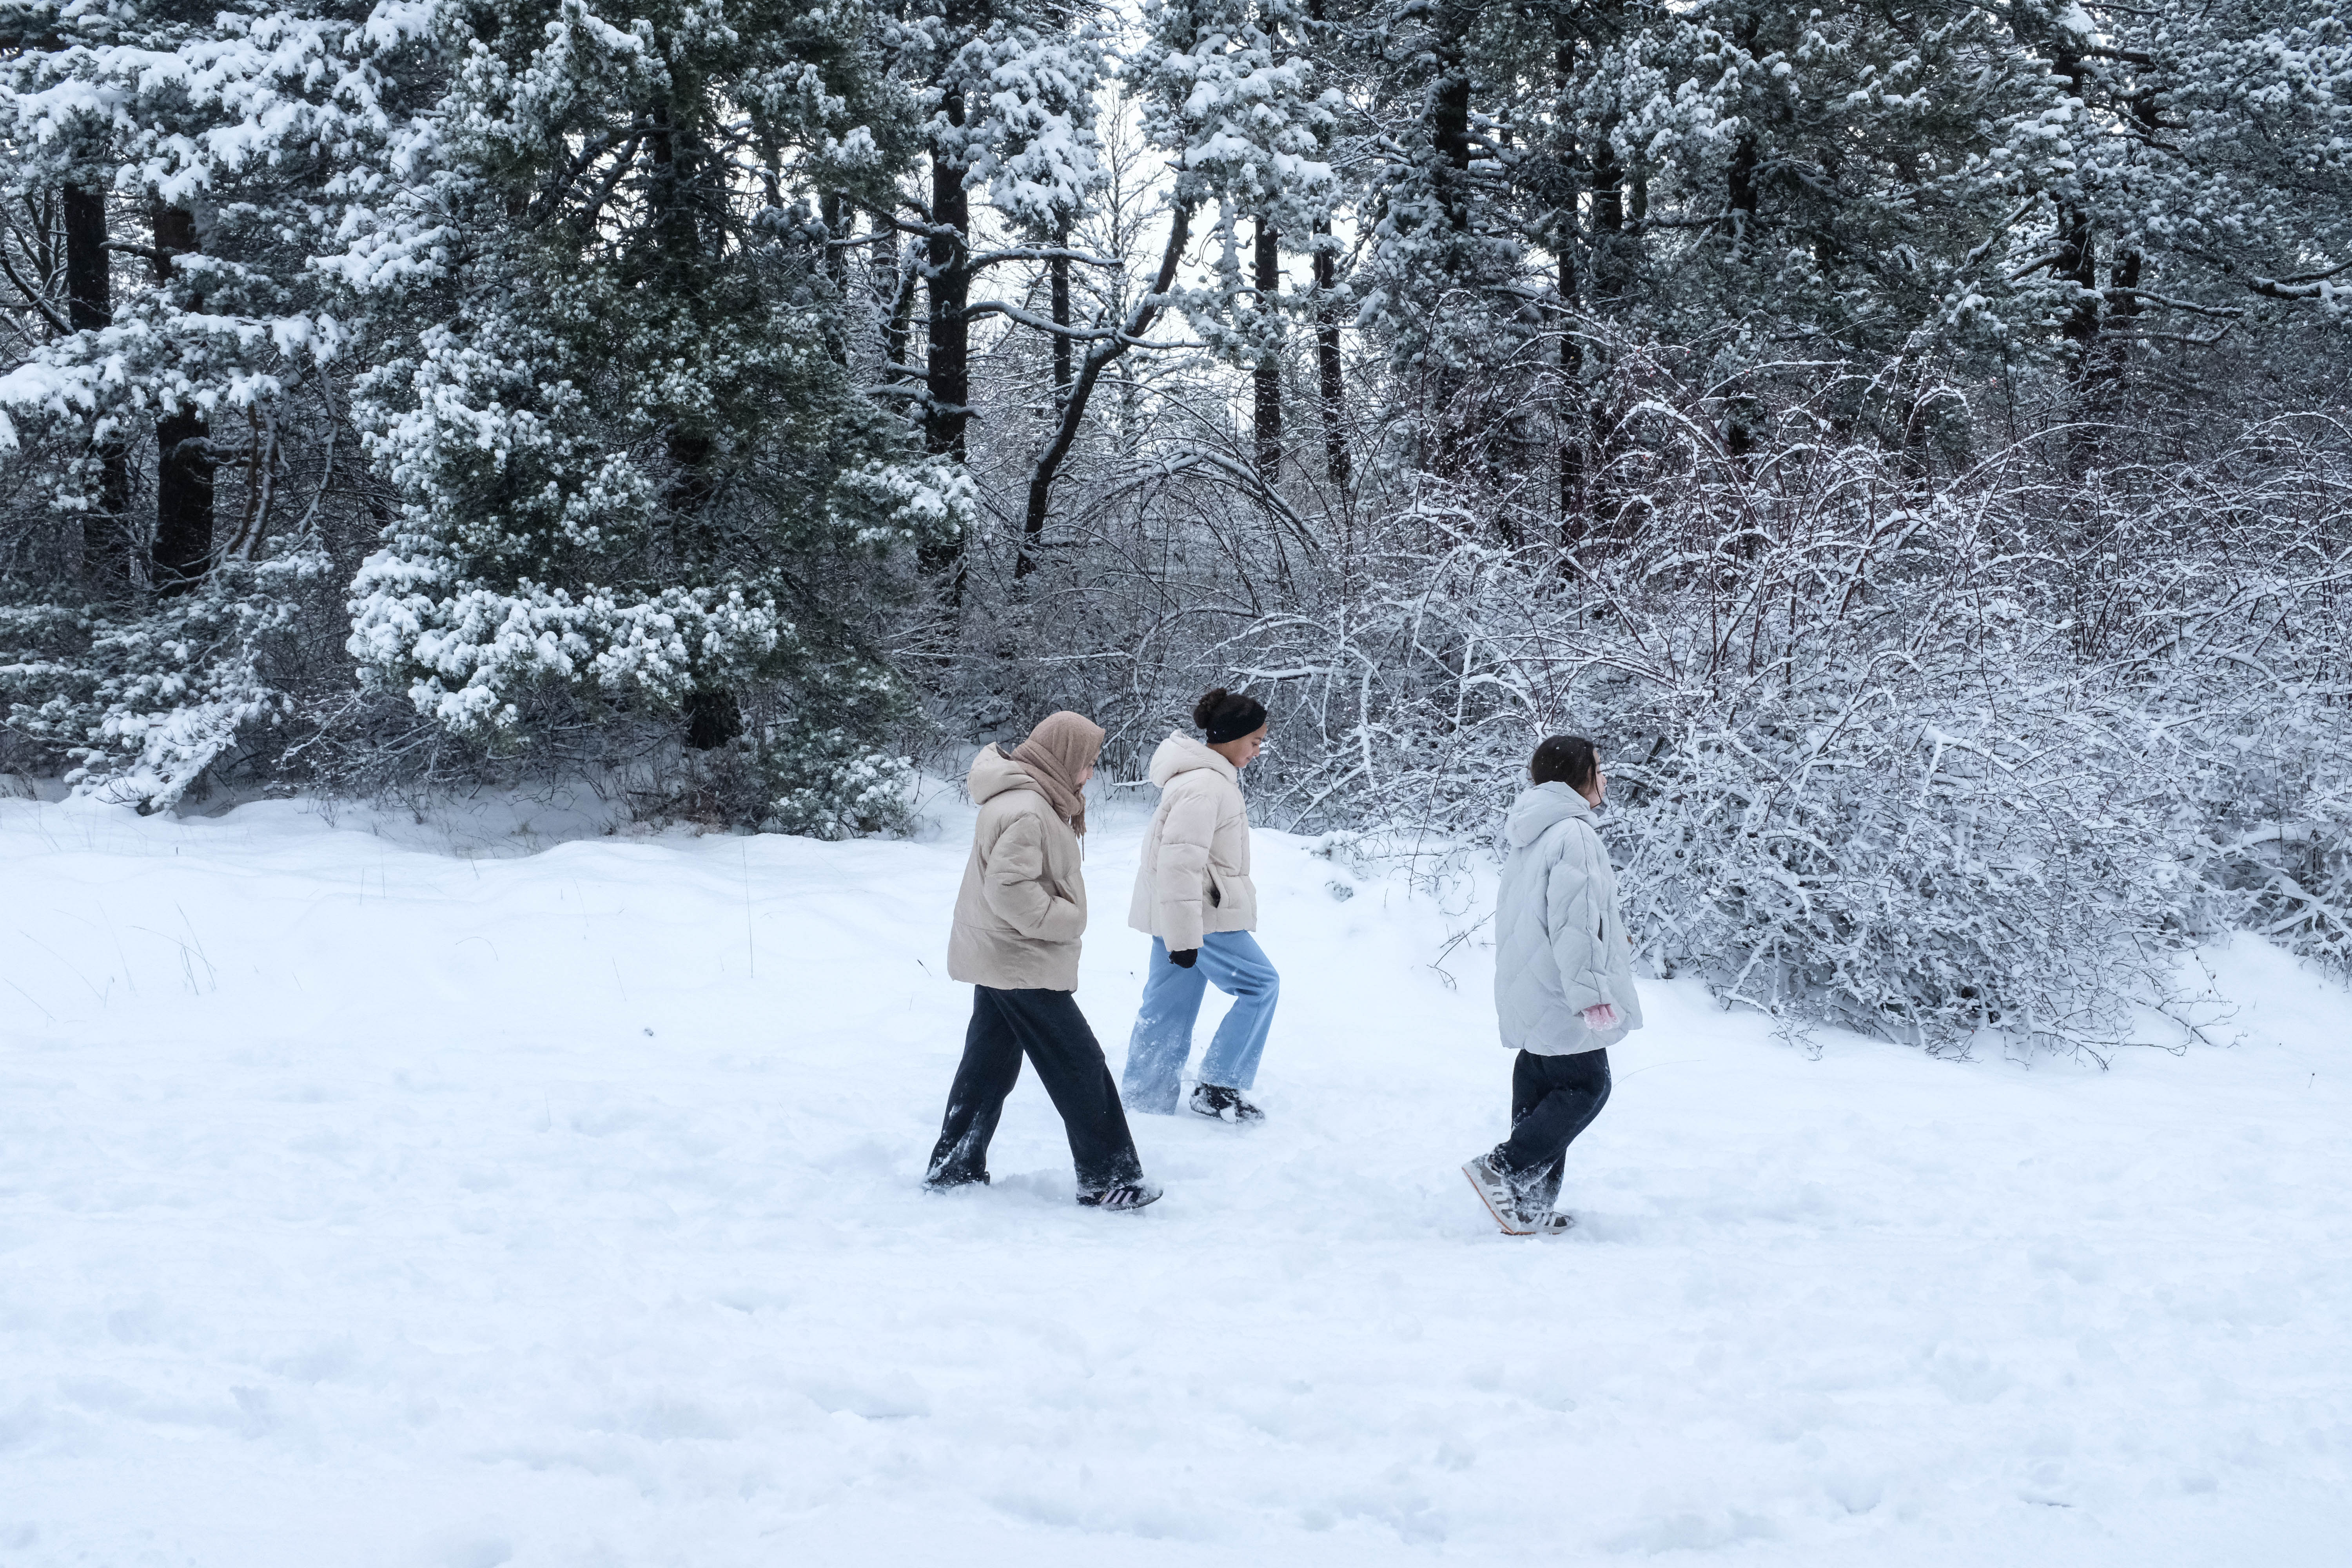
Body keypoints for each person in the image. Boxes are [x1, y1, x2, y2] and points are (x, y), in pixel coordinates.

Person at [926, 711, 1161, 1210]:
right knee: (1078, 1062)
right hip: (1020, 958)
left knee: (987, 1067)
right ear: (1063, 757)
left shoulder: (1026, 799)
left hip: (1001, 956)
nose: (1091, 772)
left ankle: (954, 1167)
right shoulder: (1030, 809)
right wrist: (1065, 918)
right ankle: (1107, 1177)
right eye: (1087, 762)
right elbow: (1009, 889)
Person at [1462, 734, 1642, 1234]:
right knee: (1587, 1085)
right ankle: (1504, 1168)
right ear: (1578, 777)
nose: (1605, 777)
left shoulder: (1535, 829)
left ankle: (1527, 1205)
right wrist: (1593, 996)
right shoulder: (1574, 834)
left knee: (1543, 1087)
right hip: (1564, 989)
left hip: (1533, 984)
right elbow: (1574, 925)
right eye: (1599, 768)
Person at [1122, 687, 1278, 1123]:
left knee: (1168, 1007)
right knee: (1261, 985)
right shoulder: (1206, 787)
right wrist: (1186, 936)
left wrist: (1179, 933)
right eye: (1255, 741)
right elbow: (1179, 864)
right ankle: (1218, 1086)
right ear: (1230, 736)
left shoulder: (1203, 780)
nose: (1258, 751)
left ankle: (1144, 1100)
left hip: (1180, 915)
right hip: (1201, 917)